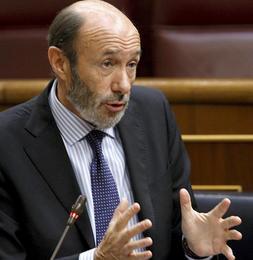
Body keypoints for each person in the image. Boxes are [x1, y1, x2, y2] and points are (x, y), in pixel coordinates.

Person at [0, 1, 242, 259]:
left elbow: (177, 229)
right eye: (107, 64)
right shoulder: (7, 143)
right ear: (60, 63)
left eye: (131, 64)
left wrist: (192, 248)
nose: (124, 85)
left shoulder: (153, 113)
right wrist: (96, 258)